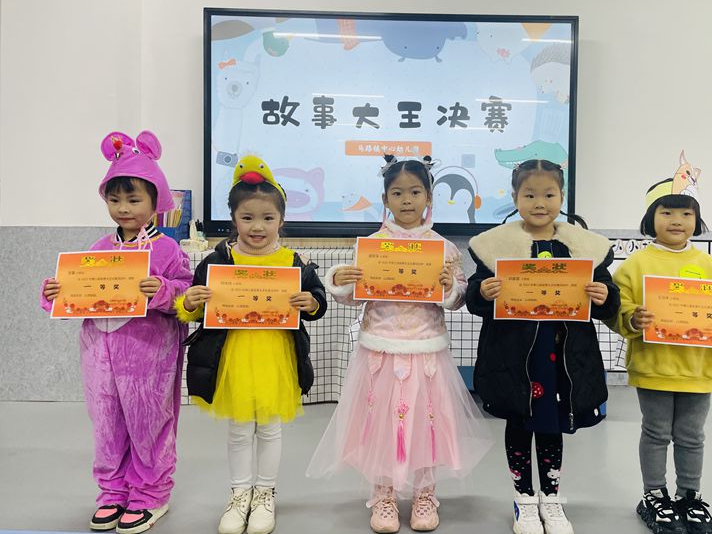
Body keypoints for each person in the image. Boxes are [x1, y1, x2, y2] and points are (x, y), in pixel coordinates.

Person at [307, 155, 493, 533]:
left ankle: (425, 493)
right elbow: (354, 296)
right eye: (397, 193)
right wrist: (341, 280)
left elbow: (457, 298)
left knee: (427, 425)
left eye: (415, 192)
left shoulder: (444, 248)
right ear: (385, 199)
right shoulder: (373, 246)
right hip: (381, 351)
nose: (407, 200)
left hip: (427, 351)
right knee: (381, 427)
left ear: (429, 197)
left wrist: (450, 288)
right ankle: (384, 494)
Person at [41, 131, 192, 533]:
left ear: (156, 201)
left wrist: (164, 291)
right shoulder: (98, 247)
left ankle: (151, 493)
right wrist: (55, 293)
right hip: (98, 352)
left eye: (133, 199)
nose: (123, 208)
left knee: (148, 422)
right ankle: (112, 491)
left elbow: (188, 297)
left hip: (147, 353)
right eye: (115, 199)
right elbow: (78, 296)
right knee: (106, 422)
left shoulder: (168, 250)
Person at [466, 159, 620, 534]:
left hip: (562, 359)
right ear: (515, 198)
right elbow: (474, 299)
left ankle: (551, 498)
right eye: (529, 195)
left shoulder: (583, 247)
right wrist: (483, 292)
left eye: (549, 195)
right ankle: (523, 500)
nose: (540, 203)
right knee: (520, 424)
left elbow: (608, 300)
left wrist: (604, 295)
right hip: (517, 359)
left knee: (552, 426)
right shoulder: (495, 247)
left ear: (562, 197)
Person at [177, 155, 326, 534]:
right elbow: (195, 307)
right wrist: (190, 302)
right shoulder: (218, 260)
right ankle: (239, 494)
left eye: (267, 218)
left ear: (281, 220)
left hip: (276, 357)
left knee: (270, 428)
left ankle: (264, 494)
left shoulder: (294, 261)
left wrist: (311, 302)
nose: (257, 227)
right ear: (233, 218)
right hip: (233, 357)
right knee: (240, 429)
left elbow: (317, 299)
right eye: (247, 218)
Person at [608, 169, 712, 534]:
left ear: (697, 220)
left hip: (698, 370)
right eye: (667, 212)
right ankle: (654, 495)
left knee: (692, 436)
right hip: (654, 367)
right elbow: (616, 309)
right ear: (650, 219)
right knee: (656, 432)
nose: (677, 220)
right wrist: (632, 318)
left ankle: (690, 496)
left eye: (686, 213)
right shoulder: (635, 265)